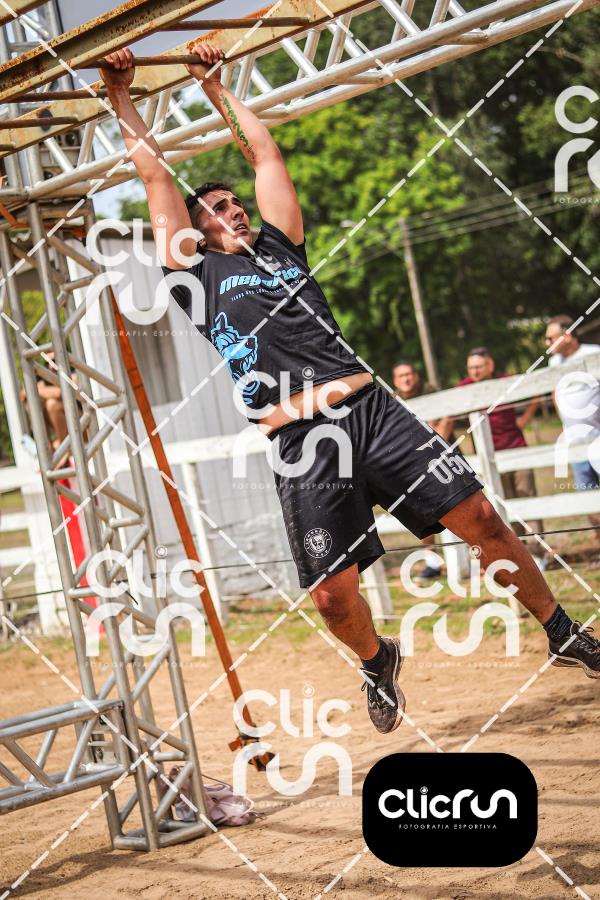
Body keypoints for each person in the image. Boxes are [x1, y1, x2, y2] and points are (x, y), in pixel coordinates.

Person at [101, 45, 600, 735]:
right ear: (195, 232)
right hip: (301, 442)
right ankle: (376, 659)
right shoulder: (195, 278)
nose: (235, 212)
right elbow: (155, 176)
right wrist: (121, 96)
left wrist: (215, 86)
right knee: (333, 599)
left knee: (482, 517)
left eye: (237, 204)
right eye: (218, 209)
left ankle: (562, 630)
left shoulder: (281, 247)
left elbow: (264, 156)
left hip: (371, 411)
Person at [457, 347, 546, 569]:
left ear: (490, 365)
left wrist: (524, 419)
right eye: (471, 368)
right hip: (488, 458)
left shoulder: (506, 381)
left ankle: (538, 553)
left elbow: (537, 391)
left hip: (516, 449)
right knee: (504, 505)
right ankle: (519, 554)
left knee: (527, 500)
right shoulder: (463, 388)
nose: (474, 372)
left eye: (478, 367)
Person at [393, 360, 453, 581]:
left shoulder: (431, 392)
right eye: (401, 376)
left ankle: (475, 557)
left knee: (458, 509)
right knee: (424, 513)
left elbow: (447, 417)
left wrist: (435, 443)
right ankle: (432, 563)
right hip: (414, 462)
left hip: (442, 457)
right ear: (395, 380)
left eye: (409, 374)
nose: (406, 379)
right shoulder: (393, 400)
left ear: (416, 376)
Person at [545, 315, 600, 533]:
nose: (547, 343)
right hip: (574, 442)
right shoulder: (554, 363)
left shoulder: (593, 353)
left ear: (567, 335)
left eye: (551, 338)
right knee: (586, 497)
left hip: (598, 437)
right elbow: (554, 392)